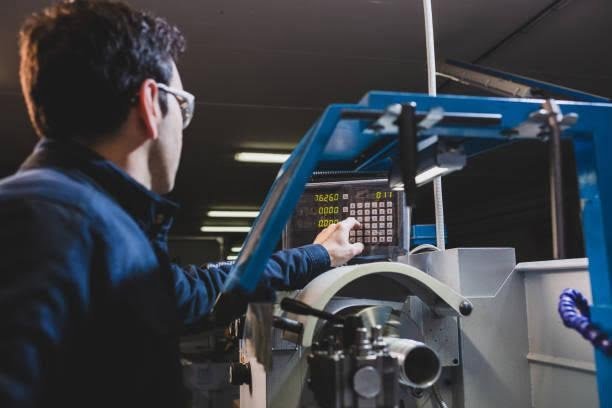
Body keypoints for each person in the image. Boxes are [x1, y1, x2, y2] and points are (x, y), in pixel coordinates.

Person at [0, 1, 364, 407]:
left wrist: (319, 255)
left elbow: (200, 293)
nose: (183, 128)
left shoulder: (99, 226)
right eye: (183, 106)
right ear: (150, 103)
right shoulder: (42, 220)